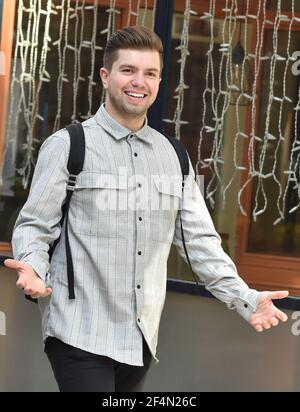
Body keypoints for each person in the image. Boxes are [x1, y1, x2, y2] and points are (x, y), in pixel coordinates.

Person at [4, 26, 289, 392]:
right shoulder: (68, 146)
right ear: (106, 77)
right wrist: (32, 265)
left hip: (140, 336)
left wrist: (246, 297)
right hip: (78, 330)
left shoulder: (174, 156)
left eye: (150, 73)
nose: (139, 82)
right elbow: (34, 225)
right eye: (128, 70)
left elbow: (201, 244)